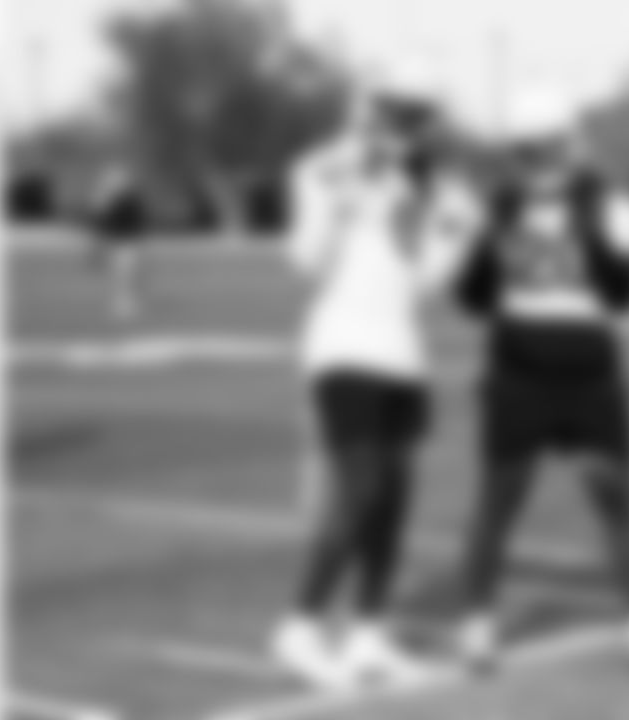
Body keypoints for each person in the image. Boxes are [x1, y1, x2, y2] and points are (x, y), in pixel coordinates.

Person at [450, 138, 629, 678]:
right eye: (530, 153)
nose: (541, 165)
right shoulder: (500, 208)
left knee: (616, 495)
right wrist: (491, 238)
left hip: (589, 372)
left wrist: (590, 230)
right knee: (499, 501)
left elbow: (627, 294)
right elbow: (471, 297)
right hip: (518, 372)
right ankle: (476, 622)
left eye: (550, 151)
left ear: (570, 151)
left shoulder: (608, 207)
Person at [272, 98, 471, 692]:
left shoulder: (439, 190)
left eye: (418, 119)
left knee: (394, 500)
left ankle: (369, 635)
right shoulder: (324, 170)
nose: (408, 130)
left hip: (402, 355)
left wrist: (441, 228)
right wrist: (341, 198)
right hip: (342, 347)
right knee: (361, 490)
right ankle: (300, 627)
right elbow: (304, 260)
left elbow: (426, 284)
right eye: (398, 117)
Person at [86, 165, 147, 324]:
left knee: (125, 277)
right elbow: (103, 224)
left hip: (126, 243)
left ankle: (125, 306)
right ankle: (122, 307)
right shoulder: (114, 202)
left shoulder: (127, 201)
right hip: (119, 243)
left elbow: (133, 221)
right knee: (121, 277)